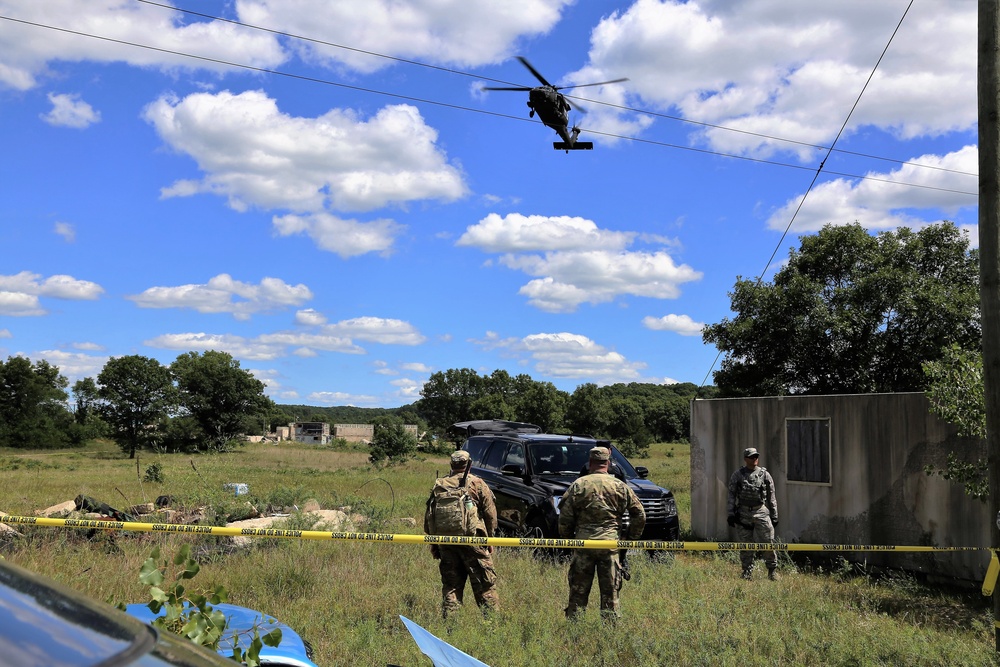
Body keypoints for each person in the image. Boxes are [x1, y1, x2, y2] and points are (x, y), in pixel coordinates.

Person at [558, 446, 645, 620]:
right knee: (610, 595)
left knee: (578, 593)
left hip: (583, 545)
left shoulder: (578, 485)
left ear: (590, 463)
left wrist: (568, 541)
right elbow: (640, 515)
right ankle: (609, 633)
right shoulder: (619, 486)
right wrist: (629, 539)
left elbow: (565, 518)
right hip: (610, 546)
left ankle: (575, 630)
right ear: (608, 464)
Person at [424, 450, 500, 618]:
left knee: (451, 586)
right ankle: (492, 627)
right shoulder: (477, 483)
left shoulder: (440, 484)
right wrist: (490, 540)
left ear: (452, 465)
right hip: (474, 542)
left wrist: (434, 543)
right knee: (485, 585)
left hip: (446, 543)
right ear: (469, 465)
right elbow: (490, 515)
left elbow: (429, 517)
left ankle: (451, 626)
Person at [726, 447, 779, 581]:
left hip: (760, 511)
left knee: (768, 542)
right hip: (743, 513)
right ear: (745, 459)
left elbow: (771, 496)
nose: (754, 459)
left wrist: (774, 515)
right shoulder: (738, 475)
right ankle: (747, 572)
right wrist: (730, 513)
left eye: (756, 456)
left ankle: (772, 571)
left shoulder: (765, 474)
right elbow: (731, 494)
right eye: (751, 457)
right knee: (746, 545)